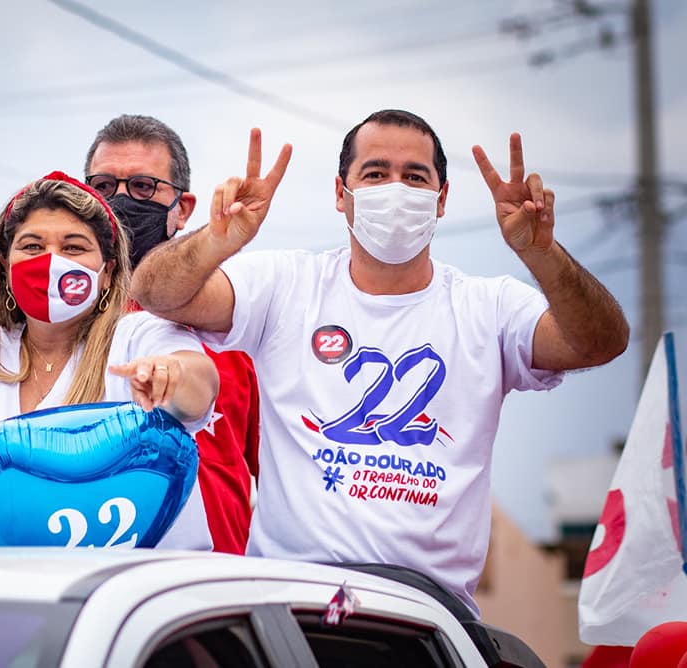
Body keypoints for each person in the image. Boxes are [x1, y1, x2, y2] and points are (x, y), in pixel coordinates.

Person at [130, 110, 630, 615]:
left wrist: (541, 253)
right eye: (375, 173)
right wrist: (219, 240)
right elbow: (156, 293)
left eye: (415, 176)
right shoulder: (286, 285)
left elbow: (599, 342)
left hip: (426, 620)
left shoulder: (490, 307)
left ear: (442, 199)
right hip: (291, 610)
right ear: (340, 194)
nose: (395, 189)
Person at [0, 172, 219, 548]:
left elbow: (200, 385)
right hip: (7, 598)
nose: (51, 262)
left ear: (108, 271)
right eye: (31, 247)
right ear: (4, 264)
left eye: (74, 248)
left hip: (133, 598)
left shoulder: (138, 337)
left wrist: (172, 377)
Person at [84, 114, 261, 554]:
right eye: (102, 187)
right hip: (90, 572)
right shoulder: (60, 328)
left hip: (215, 586)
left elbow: (286, 475)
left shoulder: (239, 325)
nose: (119, 201)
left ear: (182, 209)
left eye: (142, 187)